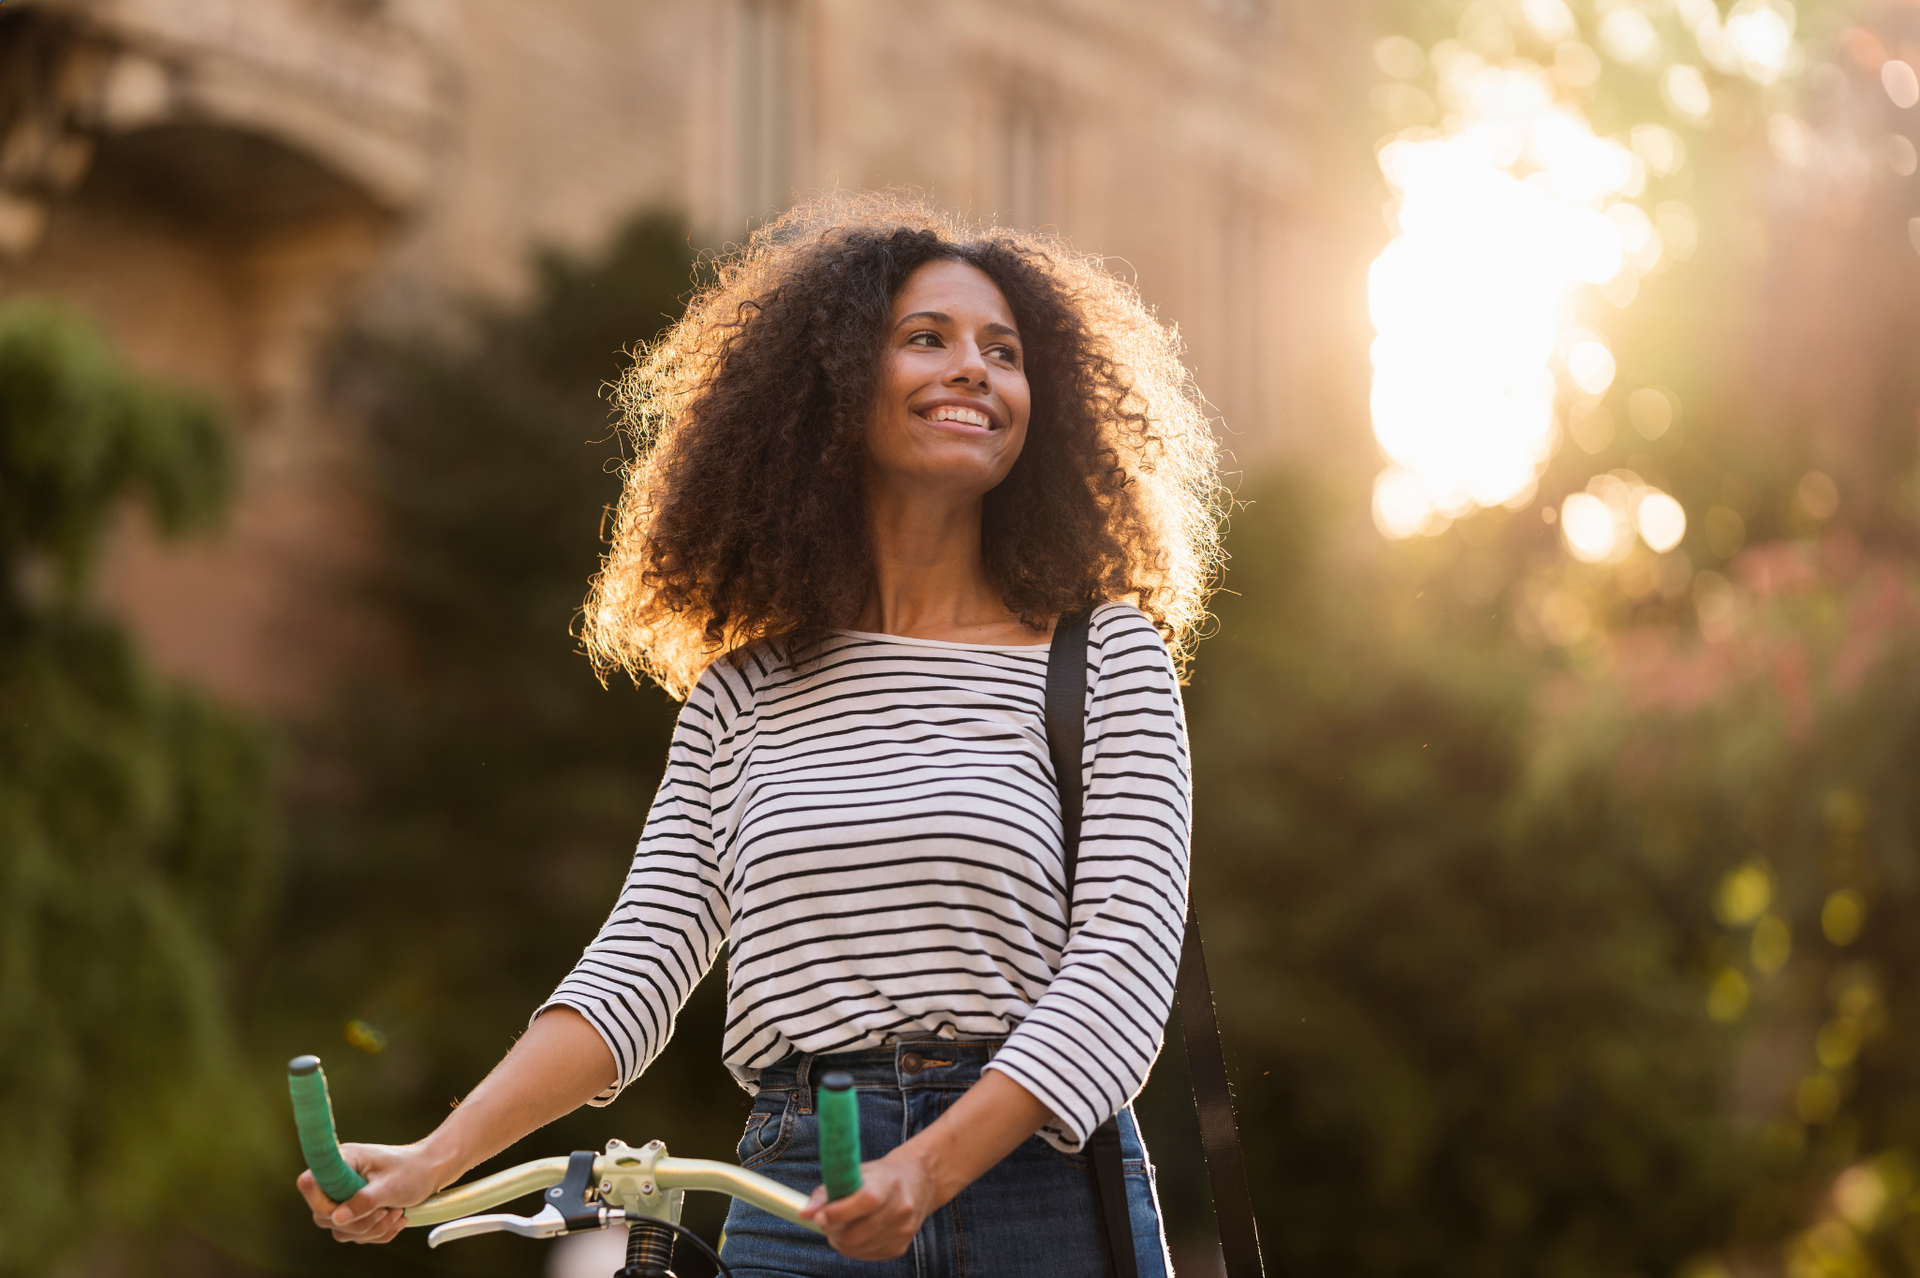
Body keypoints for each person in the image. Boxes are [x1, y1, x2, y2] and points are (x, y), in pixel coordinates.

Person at [297, 193, 1224, 1276]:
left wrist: (925, 1170)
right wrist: (434, 1158)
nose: (973, 367)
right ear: (829, 389)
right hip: (800, 1195)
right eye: (926, 339)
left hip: (1041, 1196)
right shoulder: (745, 692)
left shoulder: (1108, 656)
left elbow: (1123, 969)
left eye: (1004, 351)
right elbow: (639, 962)